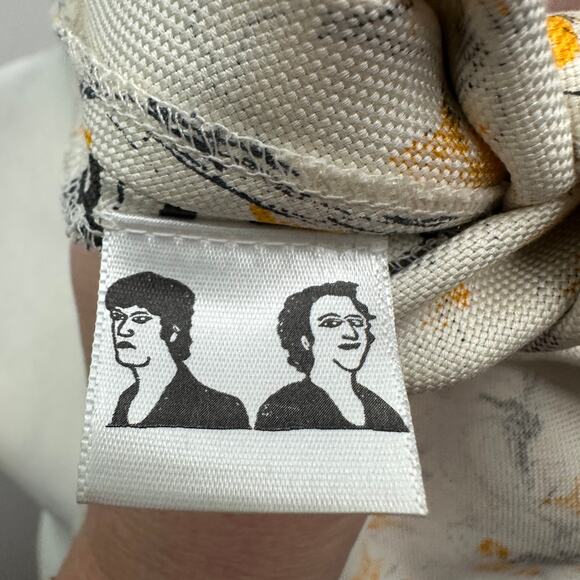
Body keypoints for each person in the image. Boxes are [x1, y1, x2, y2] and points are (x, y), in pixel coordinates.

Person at [255, 281, 409, 431]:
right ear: (306, 340)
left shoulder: (384, 412)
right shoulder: (284, 408)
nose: (351, 333)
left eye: (356, 322)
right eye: (332, 324)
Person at [105, 271, 250, 429]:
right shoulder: (125, 399)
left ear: (173, 331)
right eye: (118, 317)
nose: (122, 330)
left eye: (140, 319)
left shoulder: (221, 408)